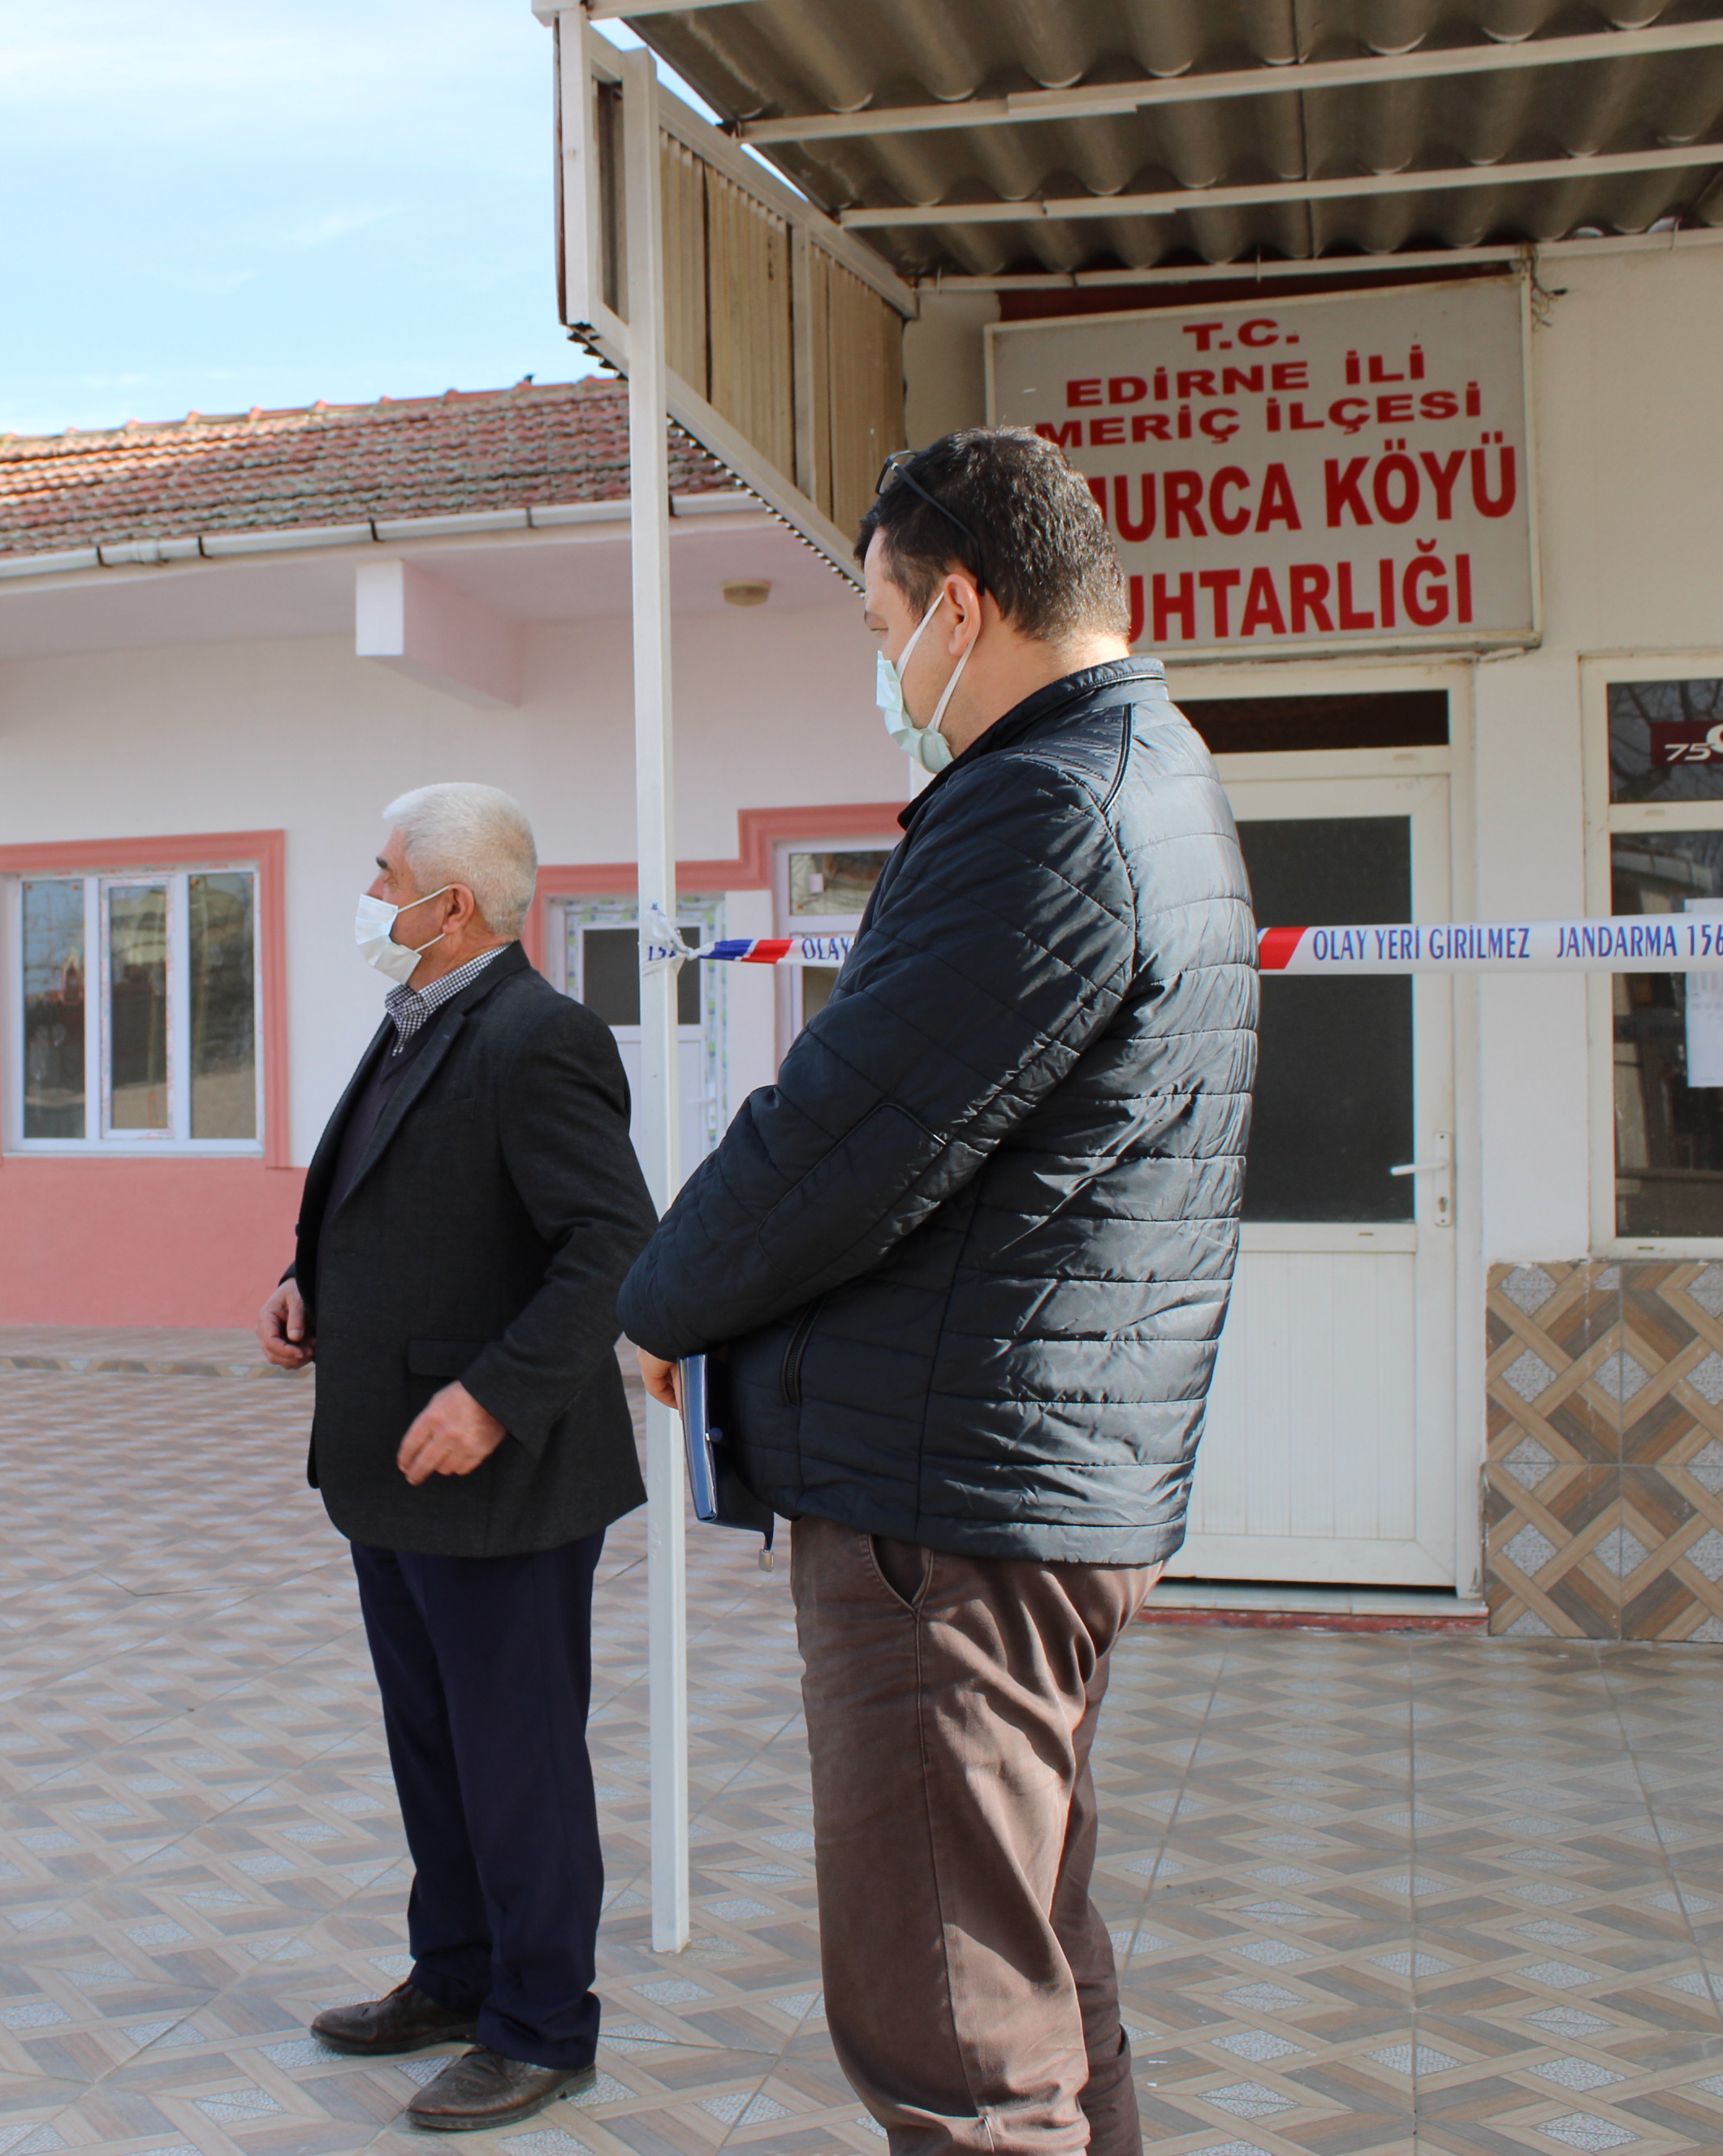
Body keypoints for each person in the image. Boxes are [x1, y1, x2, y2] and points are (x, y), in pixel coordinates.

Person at [617, 429, 1257, 2156]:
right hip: (1022, 1483)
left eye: (883, 617)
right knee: (1033, 1959)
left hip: (949, 1513)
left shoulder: (1052, 804)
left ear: (960, 606)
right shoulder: (1149, 775)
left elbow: (853, 1121)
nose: (882, 668)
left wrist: (664, 1299)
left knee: (957, 2032)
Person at [257, 783, 655, 2133]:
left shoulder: (537, 1037)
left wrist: (491, 1397)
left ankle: (543, 2025)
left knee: (514, 1757)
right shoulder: (417, 1015)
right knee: (431, 1745)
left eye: (381, 874)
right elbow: (402, 1203)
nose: (367, 895)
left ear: (454, 905)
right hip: (392, 1464)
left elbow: (608, 1246)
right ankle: (455, 1971)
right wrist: (305, 1278)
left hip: (501, 1475)